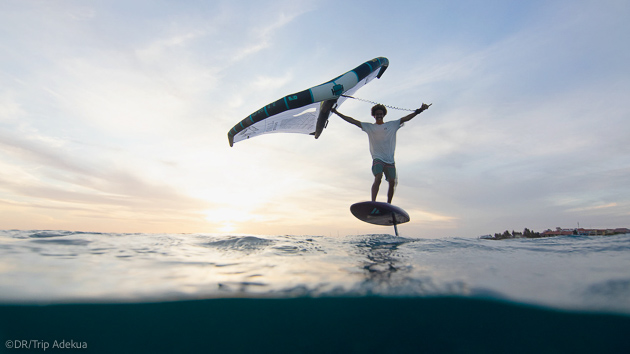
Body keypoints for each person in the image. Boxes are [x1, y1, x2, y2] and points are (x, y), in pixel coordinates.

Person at [331, 102, 430, 204]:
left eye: (381, 114)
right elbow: (352, 121)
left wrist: (420, 110)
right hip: (378, 158)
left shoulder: (392, 125)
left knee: (392, 182)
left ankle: (388, 204)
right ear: (374, 115)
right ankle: (373, 202)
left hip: (390, 160)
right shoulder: (369, 127)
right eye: (377, 114)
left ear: (383, 115)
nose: (379, 116)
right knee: (378, 177)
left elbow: (407, 118)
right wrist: (336, 112)